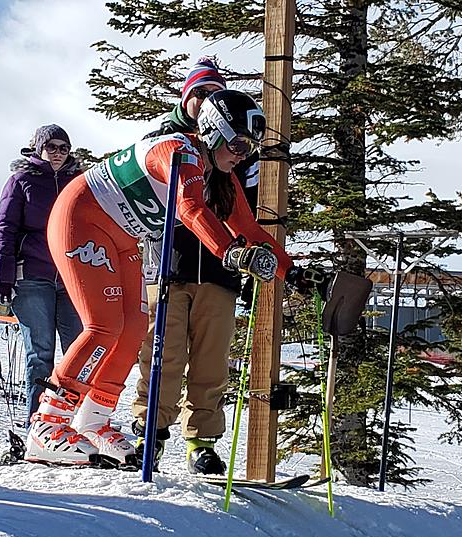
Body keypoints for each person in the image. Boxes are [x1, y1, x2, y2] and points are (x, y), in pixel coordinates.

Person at [25, 89, 319, 468]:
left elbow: (248, 228)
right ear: (212, 132)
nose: (243, 154)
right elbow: (190, 207)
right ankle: (47, 423)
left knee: (132, 329)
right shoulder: (179, 151)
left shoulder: (220, 175)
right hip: (80, 219)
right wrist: (229, 252)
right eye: (237, 143)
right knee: (103, 326)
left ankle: (93, 420)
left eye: (249, 148)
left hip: (120, 234)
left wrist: (293, 272)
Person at [129, 58, 271, 475]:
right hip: (168, 261)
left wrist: (246, 258)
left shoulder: (239, 147)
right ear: (187, 97)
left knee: (211, 359)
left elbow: (246, 209)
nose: (207, 101)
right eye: (201, 94)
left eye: (215, 94)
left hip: (220, 267)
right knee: (162, 356)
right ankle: (148, 434)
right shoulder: (163, 140)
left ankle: (201, 441)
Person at [0, 124, 84, 428]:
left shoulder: (79, 181)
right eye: (51, 147)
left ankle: (75, 419)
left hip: (72, 277)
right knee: (40, 353)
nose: (57, 153)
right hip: (33, 275)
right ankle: (39, 421)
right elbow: (5, 231)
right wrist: (3, 279)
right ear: (38, 148)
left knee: (78, 350)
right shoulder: (21, 182)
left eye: (63, 147)